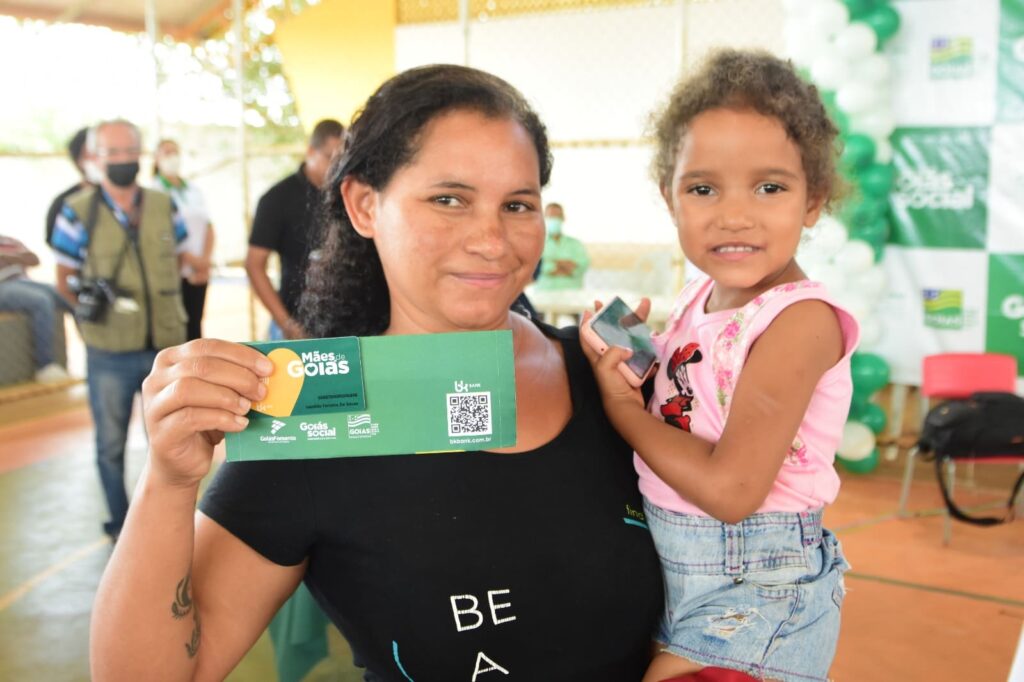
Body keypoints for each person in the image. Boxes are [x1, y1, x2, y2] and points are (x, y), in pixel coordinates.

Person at [90, 65, 663, 681]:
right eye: (449, 199)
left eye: (517, 205)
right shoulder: (313, 419)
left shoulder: (613, 369)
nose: (494, 240)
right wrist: (168, 483)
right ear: (365, 205)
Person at [581, 50, 860, 682]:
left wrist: (621, 408)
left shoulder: (799, 320)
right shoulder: (697, 295)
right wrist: (630, 357)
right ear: (669, 197)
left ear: (813, 200)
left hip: (755, 589)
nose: (734, 215)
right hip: (678, 571)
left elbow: (733, 492)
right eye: (704, 188)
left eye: (770, 187)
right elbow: (697, 395)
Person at [51, 119, 188, 541]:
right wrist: (90, 316)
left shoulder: (165, 205)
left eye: (131, 151)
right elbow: (63, 277)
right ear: (95, 159)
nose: (124, 160)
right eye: (114, 153)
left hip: (164, 348)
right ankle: (120, 525)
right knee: (110, 445)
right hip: (108, 352)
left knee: (170, 441)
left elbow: (181, 259)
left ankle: (166, 521)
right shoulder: (77, 211)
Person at [245, 119, 345, 340]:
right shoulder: (276, 199)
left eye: (343, 159)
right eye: (330, 158)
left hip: (349, 321)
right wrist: (286, 323)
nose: (338, 166)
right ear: (311, 151)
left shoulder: (350, 193)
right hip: (297, 322)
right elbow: (254, 264)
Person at [153, 138, 215, 341]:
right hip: (173, 271)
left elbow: (208, 226)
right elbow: (163, 234)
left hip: (199, 269)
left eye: (175, 152)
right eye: (166, 153)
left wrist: (204, 262)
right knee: (177, 329)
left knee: (195, 325)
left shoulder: (193, 190)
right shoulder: (154, 192)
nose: (172, 157)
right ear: (156, 158)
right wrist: (189, 260)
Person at [0, 235, 71, 382]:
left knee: (69, 295)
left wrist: (10, 257)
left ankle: (97, 350)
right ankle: (45, 365)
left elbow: (34, 260)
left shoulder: (9, 241)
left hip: (24, 282)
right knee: (41, 301)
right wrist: (16, 257)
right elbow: (22, 258)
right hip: (3, 286)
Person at [45, 126, 100, 245]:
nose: (97, 159)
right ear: (78, 161)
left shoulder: (131, 200)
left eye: (101, 152)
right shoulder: (64, 203)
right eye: (89, 154)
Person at [534, 201, 590, 290]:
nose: (554, 219)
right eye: (551, 216)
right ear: (544, 218)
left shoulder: (576, 244)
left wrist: (553, 262)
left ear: (563, 218)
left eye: (557, 216)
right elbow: (537, 268)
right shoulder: (536, 244)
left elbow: (581, 267)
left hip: (573, 295)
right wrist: (564, 264)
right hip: (544, 294)